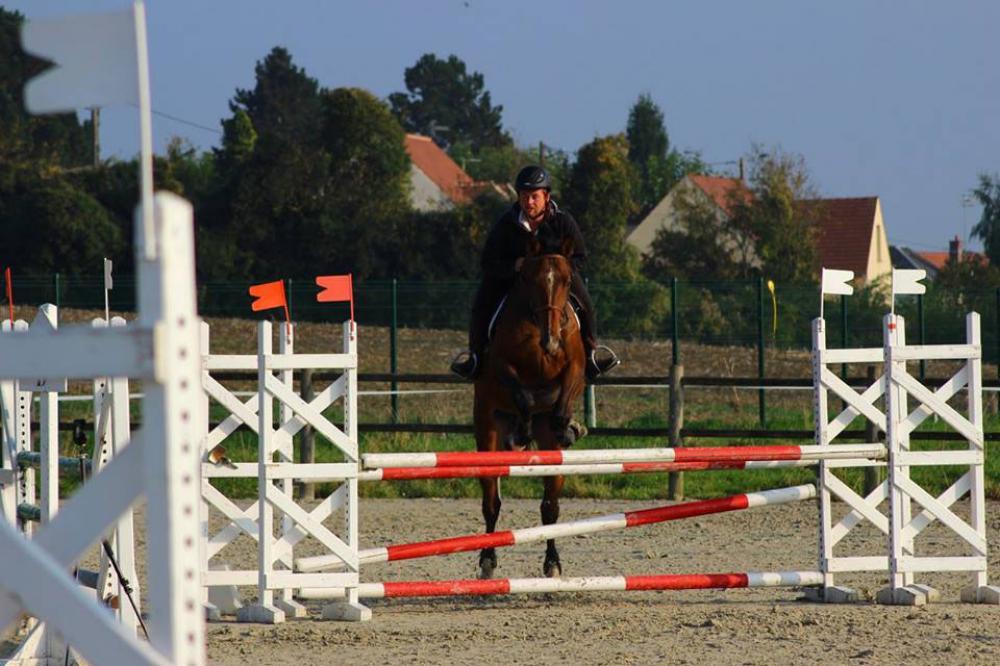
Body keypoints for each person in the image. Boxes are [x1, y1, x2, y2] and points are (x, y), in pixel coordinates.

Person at [450, 165, 620, 381]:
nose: (528, 202)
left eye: (534, 196)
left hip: (556, 280)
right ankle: (475, 357)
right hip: (514, 278)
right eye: (524, 196)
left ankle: (591, 355)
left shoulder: (563, 221)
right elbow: (488, 261)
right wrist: (514, 266)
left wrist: (561, 270)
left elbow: (580, 255)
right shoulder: (507, 223)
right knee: (481, 303)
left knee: (586, 303)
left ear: (546, 196)